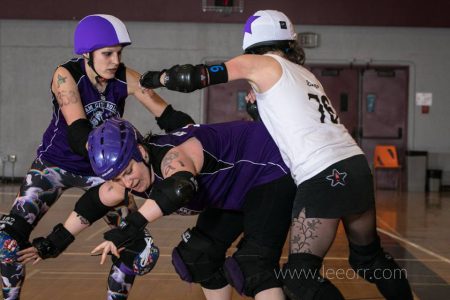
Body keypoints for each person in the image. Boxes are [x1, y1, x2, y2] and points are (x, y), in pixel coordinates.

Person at [139, 9, 414, 300]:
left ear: (253, 45)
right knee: (369, 259)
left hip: (322, 174)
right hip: (356, 166)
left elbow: (193, 77)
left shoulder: (259, 63)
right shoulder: (305, 75)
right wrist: (258, 111)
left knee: (300, 281)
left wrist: (153, 78)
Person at [0, 14, 167, 300]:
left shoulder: (123, 76)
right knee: (6, 243)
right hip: (54, 165)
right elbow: (79, 135)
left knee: (140, 251)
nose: (116, 60)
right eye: (107, 53)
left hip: (104, 172)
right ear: (86, 54)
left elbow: (167, 114)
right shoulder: (65, 75)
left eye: (119, 53)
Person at [82, 115, 296, 300]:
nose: (127, 183)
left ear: (141, 152)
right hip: (233, 191)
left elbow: (179, 188)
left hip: (269, 169)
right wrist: (57, 239)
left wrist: (128, 229)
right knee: (197, 257)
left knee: (255, 265)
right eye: (117, 179)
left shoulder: (170, 158)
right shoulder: (129, 178)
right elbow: (92, 202)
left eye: (128, 172)